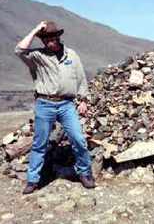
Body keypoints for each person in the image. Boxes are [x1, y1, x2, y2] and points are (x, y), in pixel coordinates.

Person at [15, 20, 95, 194]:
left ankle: (85, 173)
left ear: (58, 37)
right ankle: (33, 180)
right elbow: (19, 50)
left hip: (67, 104)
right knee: (39, 143)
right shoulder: (37, 56)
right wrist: (36, 29)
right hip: (45, 103)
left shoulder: (72, 55)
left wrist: (83, 100)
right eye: (45, 39)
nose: (49, 42)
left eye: (52, 38)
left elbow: (81, 78)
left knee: (78, 139)